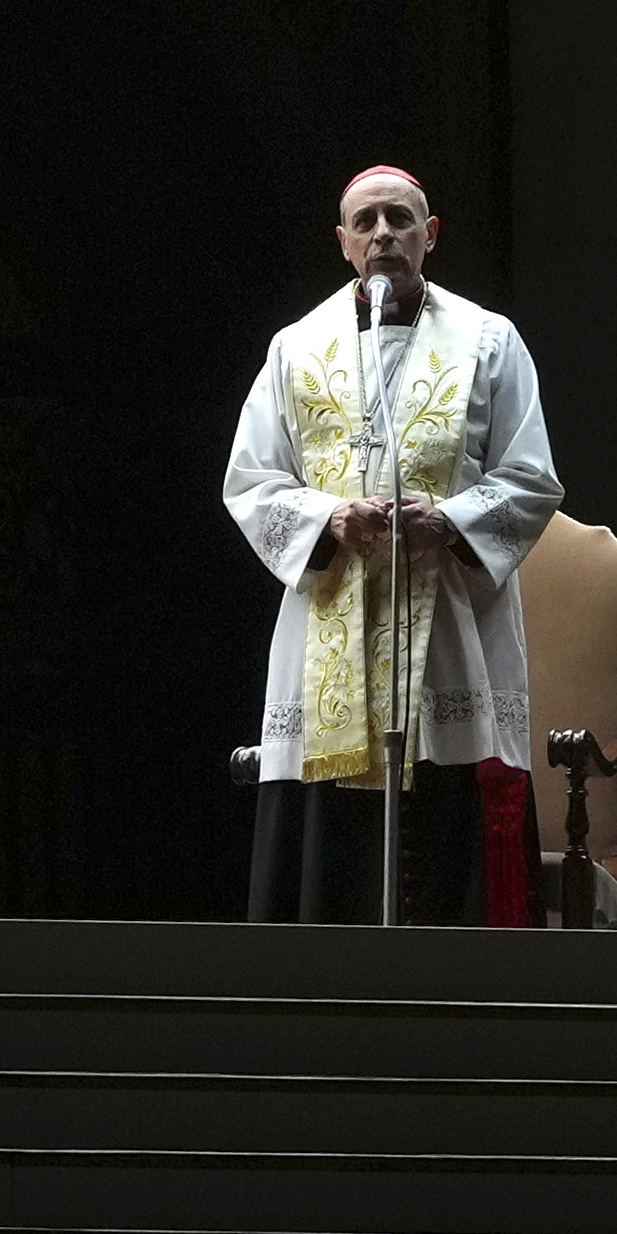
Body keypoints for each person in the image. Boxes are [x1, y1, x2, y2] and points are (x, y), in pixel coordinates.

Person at [225, 165, 561, 922]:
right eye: (367, 221)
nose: (383, 235)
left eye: (400, 220)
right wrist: (326, 520)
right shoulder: (294, 348)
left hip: (449, 627)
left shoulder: (488, 340)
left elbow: (530, 476)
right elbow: (251, 481)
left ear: (429, 235)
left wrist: (449, 521)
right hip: (328, 626)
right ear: (343, 242)